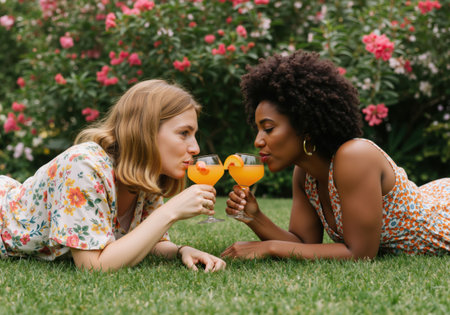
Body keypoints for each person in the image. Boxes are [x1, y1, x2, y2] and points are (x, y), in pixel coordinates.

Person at [221, 50, 449, 260]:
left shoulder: (355, 156)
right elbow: (302, 243)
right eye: (258, 129)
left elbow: (360, 253)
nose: (258, 141)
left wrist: (268, 247)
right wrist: (254, 217)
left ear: (305, 128)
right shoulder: (304, 175)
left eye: (268, 128)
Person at [0, 79, 226, 272]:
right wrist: (170, 210)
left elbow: (147, 242)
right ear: (144, 131)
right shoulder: (84, 165)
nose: (195, 147)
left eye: (193, 134)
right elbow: (92, 265)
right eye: (184, 133)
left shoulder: (147, 175)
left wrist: (181, 251)